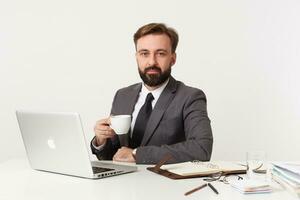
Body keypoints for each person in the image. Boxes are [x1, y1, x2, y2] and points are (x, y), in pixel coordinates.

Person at [91, 23, 213, 164]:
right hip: (121, 183)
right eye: (144, 54)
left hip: (166, 184)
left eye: (160, 53)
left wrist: (137, 154)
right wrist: (101, 140)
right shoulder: (123, 95)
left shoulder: (190, 97)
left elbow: (202, 149)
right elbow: (115, 156)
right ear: (137, 57)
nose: (152, 62)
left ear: (173, 59)